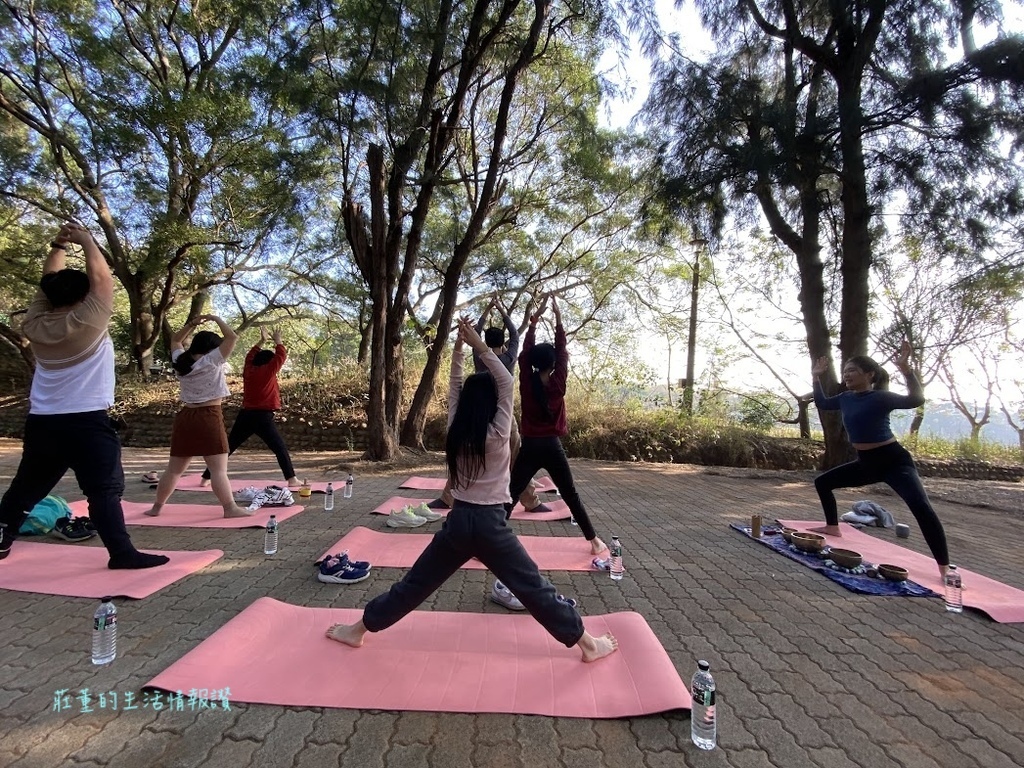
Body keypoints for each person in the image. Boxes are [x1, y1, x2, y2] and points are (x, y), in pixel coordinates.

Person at [325, 318, 618, 663]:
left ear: (465, 404)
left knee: (413, 586)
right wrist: (477, 345)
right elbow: (506, 383)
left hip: (458, 524)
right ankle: (588, 645)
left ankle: (357, 631)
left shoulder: (455, 430)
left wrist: (459, 350)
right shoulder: (497, 433)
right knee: (534, 588)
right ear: (493, 404)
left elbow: (454, 388)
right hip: (491, 527)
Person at [0, 223, 168, 569]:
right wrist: (88, 241)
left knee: (25, 489)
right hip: (86, 422)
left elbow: (48, 283)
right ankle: (122, 554)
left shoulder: (35, 324)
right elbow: (103, 279)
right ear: (84, 296)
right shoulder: (88, 319)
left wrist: (59, 245)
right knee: (104, 491)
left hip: (43, 423)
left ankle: (2, 539)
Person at [811, 340, 951, 578]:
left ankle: (945, 568)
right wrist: (816, 377)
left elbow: (915, 400)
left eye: (852, 371)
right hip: (866, 462)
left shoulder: (881, 397)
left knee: (921, 507)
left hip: (894, 462)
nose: (846, 375)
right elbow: (823, 403)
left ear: (869, 374)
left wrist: (906, 370)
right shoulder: (845, 398)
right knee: (822, 483)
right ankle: (832, 527)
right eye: (845, 372)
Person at [428, 295, 547, 513]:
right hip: (502, 416)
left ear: (482, 340)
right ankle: (531, 501)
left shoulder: (478, 356)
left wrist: (476, 325)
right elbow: (513, 334)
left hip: (474, 413)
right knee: (517, 457)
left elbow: (455, 383)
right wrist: (501, 309)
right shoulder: (508, 357)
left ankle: (448, 498)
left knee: (462, 454)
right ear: (502, 343)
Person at [144, 315, 251, 518]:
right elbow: (232, 337)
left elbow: (175, 340)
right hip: (208, 416)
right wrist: (216, 318)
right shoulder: (211, 360)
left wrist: (192, 324)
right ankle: (230, 508)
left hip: (185, 417)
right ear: (212, 348)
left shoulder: (180, 361)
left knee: (174, 470)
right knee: (218, 470)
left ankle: (156, 507)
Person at [198, 326, 299, 488]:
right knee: (280, 448)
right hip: (262, 416)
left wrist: (262, 340)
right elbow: (281, 356)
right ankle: (292, 479)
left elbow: (250, 356)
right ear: (268, 362)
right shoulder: (267, 372)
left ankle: (205, 478)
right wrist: (277, 340)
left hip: (246, 415)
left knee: (229, 447)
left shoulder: (249, 370)